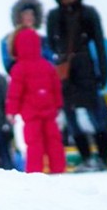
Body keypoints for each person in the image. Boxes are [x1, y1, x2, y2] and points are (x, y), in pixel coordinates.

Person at [46, 0, 107, 172]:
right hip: (64, 70)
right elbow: (51, 44)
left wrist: (103, 71)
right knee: (70, 115)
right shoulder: (54, 15)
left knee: (95, 114)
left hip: (85, 67)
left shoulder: (89, 13)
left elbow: (99, 43)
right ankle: (85, 158)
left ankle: (102, 158)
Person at [5, 28, 66, 174]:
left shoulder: (19, 69)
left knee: (34, 144)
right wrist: (58, 105)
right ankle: (58, 170)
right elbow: (56, 88)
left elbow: (15, 93)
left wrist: (11, 111)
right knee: (54, 141)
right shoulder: (47, 66)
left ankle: (34, 172)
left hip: (31, 114)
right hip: (49, 111)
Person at [1, 0, 54, 74]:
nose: (29, 17)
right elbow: (8, 65)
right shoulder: (8, 40)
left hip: (42, 79)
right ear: (19, 17)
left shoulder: (44, 41)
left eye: (32, 14)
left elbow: (51, 62)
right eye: (26, 14)